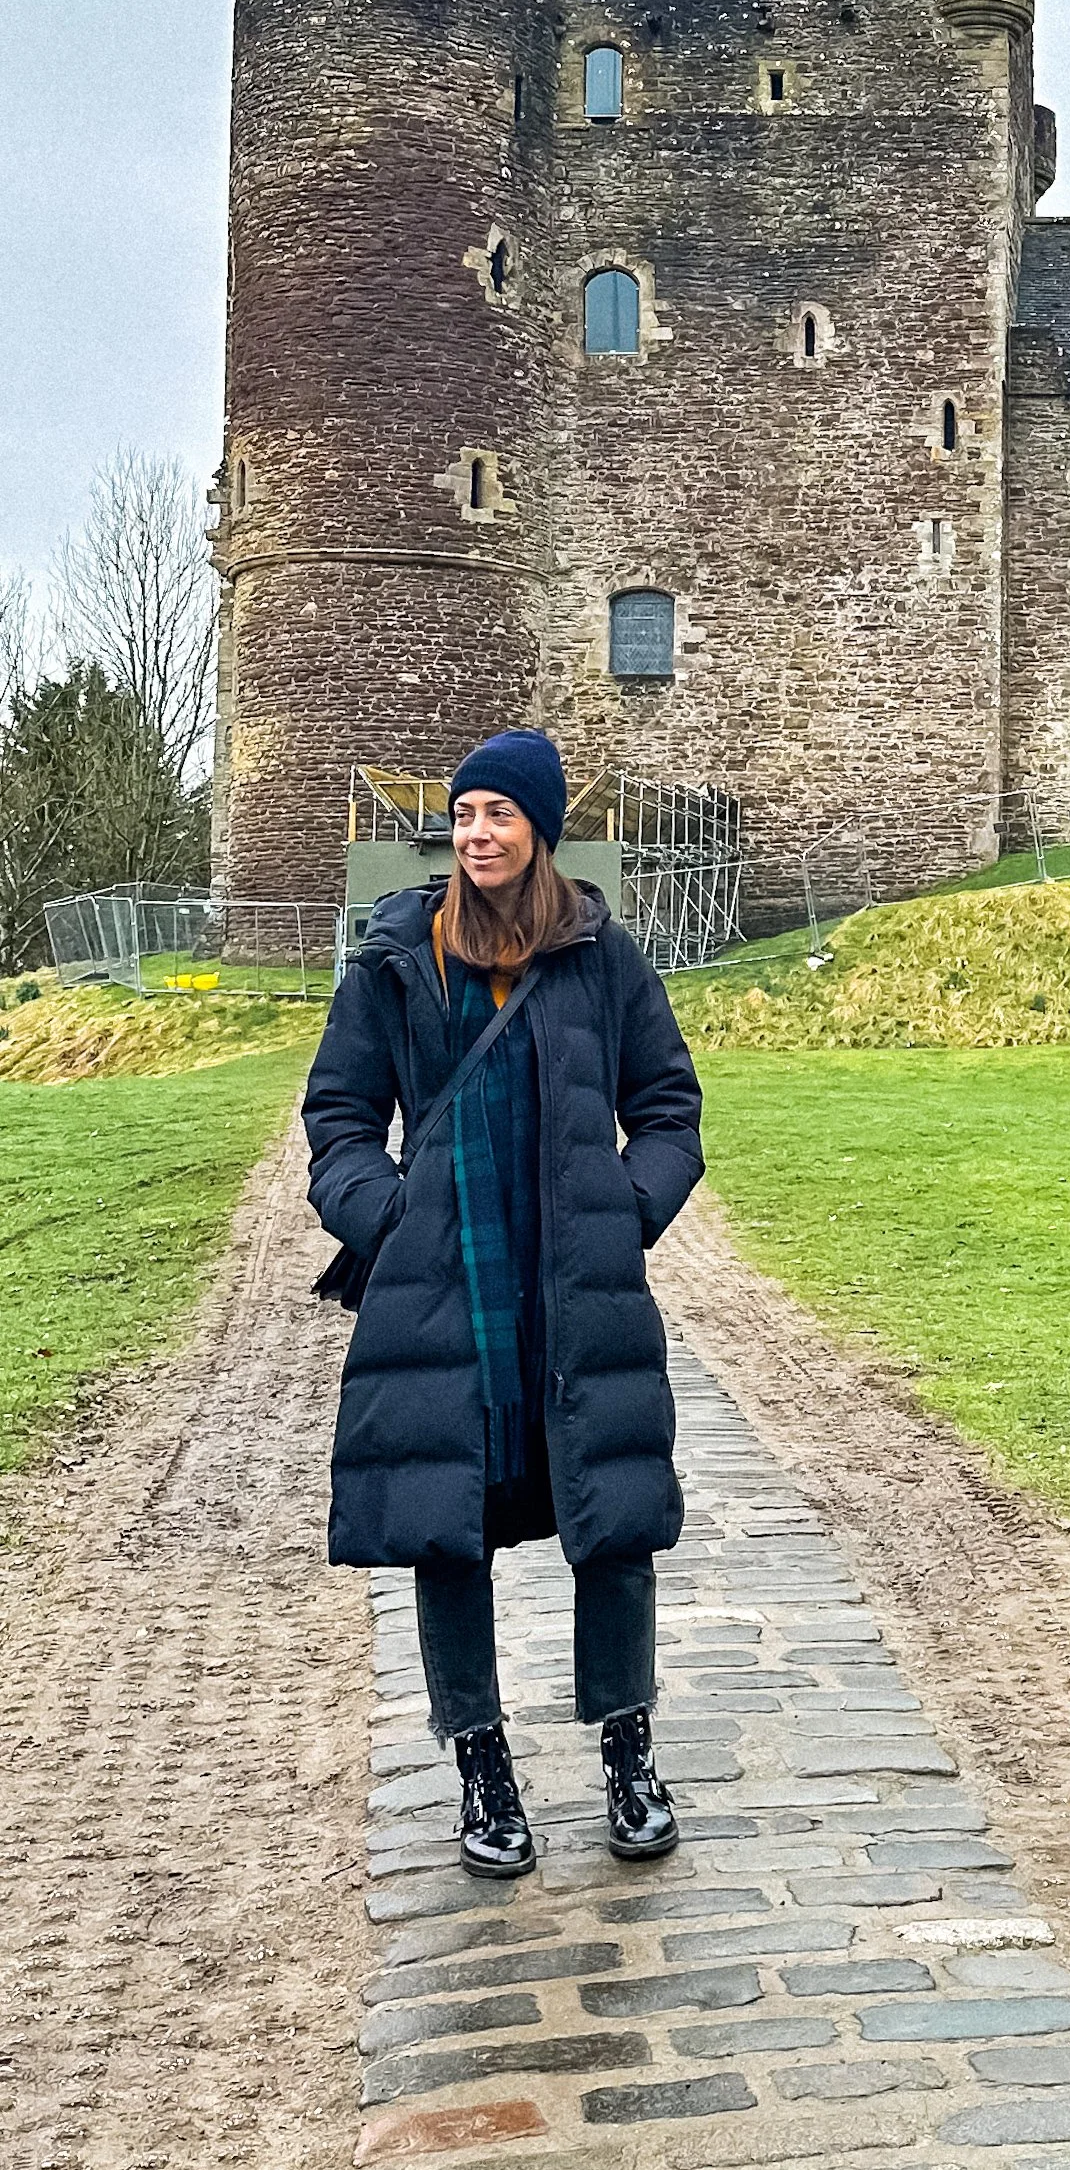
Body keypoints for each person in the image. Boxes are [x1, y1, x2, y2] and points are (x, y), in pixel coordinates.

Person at [304, 729, 705, 1878]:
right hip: (452, 1285)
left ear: (541, 827)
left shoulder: (600, 954)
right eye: (464, 813)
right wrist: (386, 1219)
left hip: (576, 1288)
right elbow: (338, 1117)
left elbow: (668, 1105)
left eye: (500, 815)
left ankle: (629, 1756)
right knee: (448, 1527)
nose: (477, 834)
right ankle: (481, 1768)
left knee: (615, 1522)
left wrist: (626, 1211)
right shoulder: (397, 960)